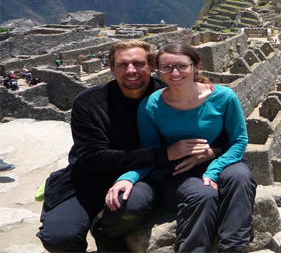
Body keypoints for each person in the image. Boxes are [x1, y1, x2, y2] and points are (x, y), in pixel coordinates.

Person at [37, 40, 227, 252]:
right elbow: (93, 157)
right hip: (89, 179)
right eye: (122, 65)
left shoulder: (172, 96)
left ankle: (106, 236)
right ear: (111, 68)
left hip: (145, 178)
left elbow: (221, 134)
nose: (131, 70)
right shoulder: (89, 103)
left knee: (130, 205)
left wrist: (211, 152)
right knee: (59, 238)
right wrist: (164, 154)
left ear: (152, 66)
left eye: (138, 63)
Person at [105, 42, 256, 252]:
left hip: (221, 162)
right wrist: (128, 177)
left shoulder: (224, 97)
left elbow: (239, 141)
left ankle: (233, 248)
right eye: (166, 67)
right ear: (158, 70)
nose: (174, 73)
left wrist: (213, 169)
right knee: (203, 195)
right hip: (177, 171)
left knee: (239, 177)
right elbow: (150, 152)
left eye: (182, 66)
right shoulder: (151, 106)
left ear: (196, 66)